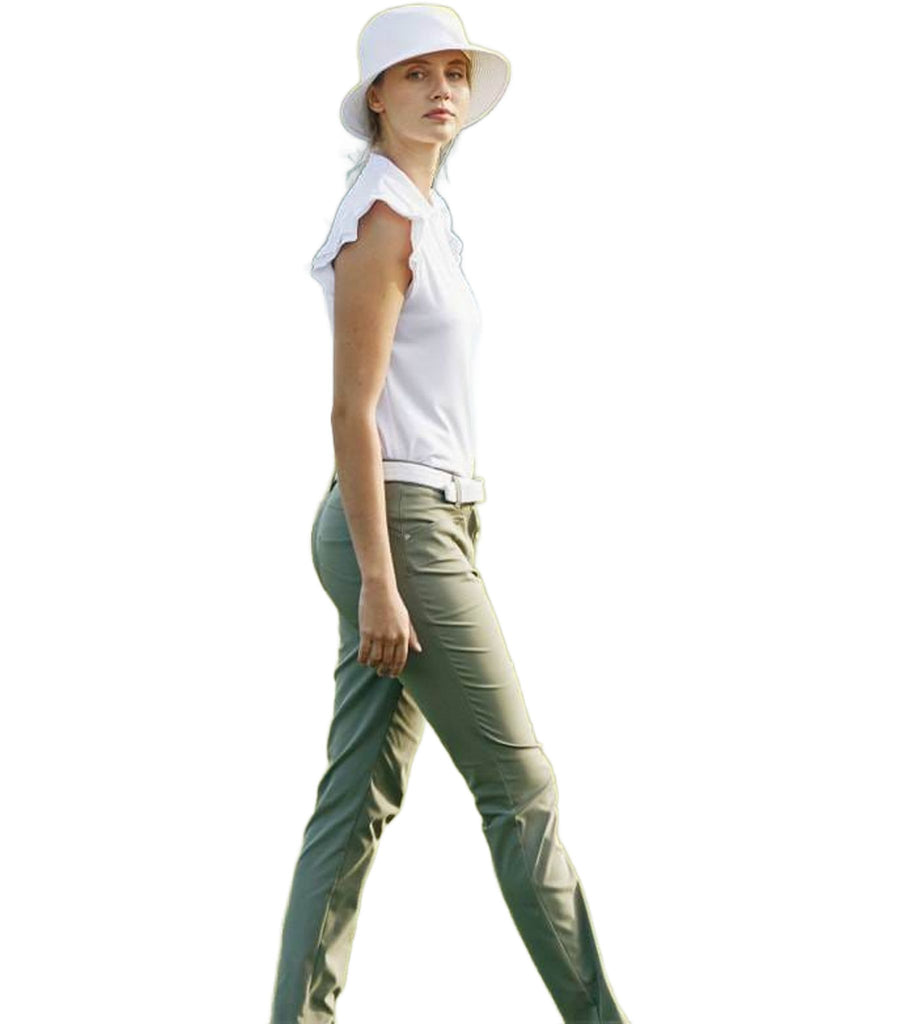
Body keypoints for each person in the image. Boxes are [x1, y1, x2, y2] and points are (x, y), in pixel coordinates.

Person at [269, 6, 633, 1023]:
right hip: (397, 527)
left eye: (455, 74)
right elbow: (350, 413)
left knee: (355, 801)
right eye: (416, 74)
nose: (440, 89)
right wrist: (382, 581)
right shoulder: (383, 217)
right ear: (376, 99)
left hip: (426, 522)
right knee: (521, 786)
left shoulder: (423, 211)